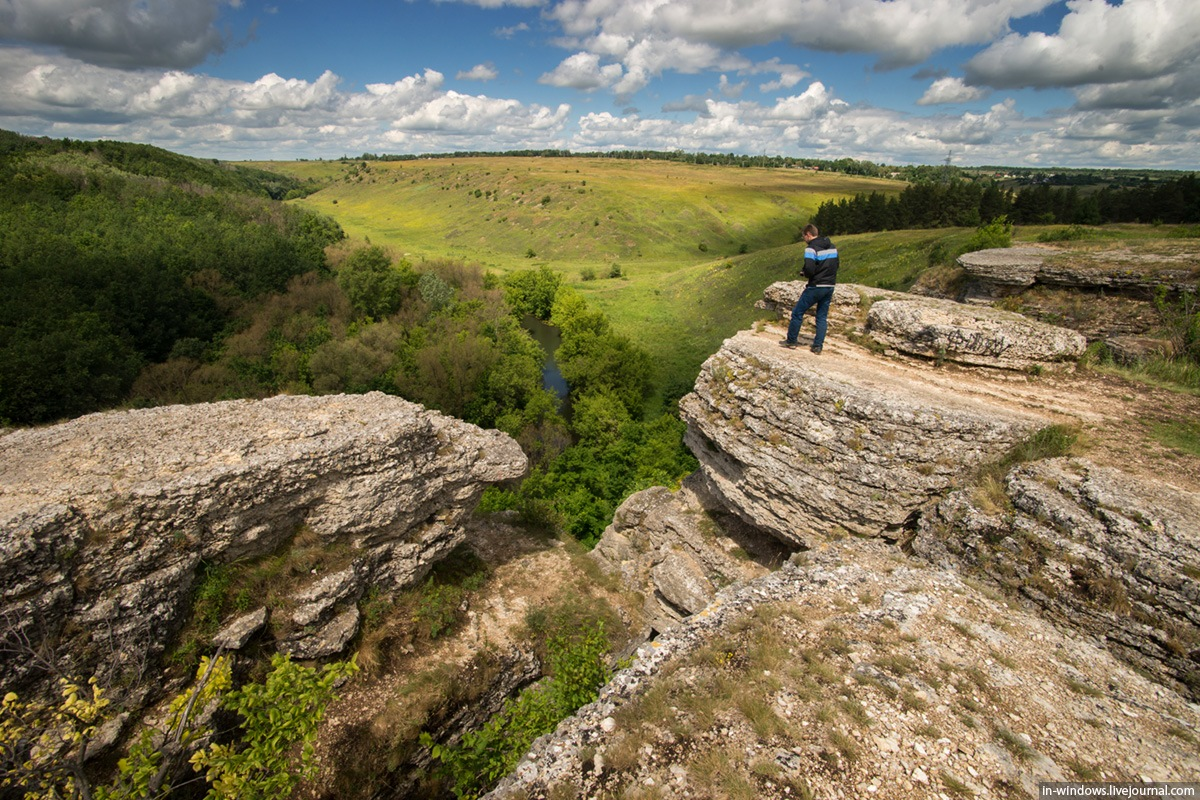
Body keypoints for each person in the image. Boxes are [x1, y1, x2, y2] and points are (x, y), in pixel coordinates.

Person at [781, 223, 839, 354]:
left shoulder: (811, 249)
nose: (804, 240)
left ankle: (791, 341)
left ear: (808, 234)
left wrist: (805, 274)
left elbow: (809, 268)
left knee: (797, 312)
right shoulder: (832, 247)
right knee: (821, 317)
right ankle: (818, 346)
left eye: (804, 237)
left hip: (815, 286)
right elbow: (836, 265)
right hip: (830, 285)